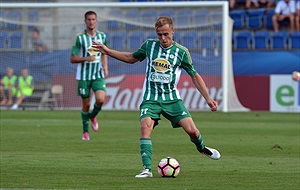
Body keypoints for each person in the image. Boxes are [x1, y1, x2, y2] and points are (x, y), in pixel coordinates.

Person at [92, 16, 221, 178]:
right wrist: (107, 51)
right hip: (151, 98)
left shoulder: (181, 52)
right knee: (145, 128)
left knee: (193, 132)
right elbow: (131, 58)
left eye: (166, 34)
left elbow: (194, 75)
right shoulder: (149, 46)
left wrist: (208, 98)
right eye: (160, 34)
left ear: (173, 31)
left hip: (172, 99)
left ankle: (202, 148)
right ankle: (147, 169)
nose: (163, 38)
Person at [70, 11, 108, 141]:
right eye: (89, 19)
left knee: (100, 99)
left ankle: (93, 116)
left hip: (98, 74)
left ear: (96, 21)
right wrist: (86, 58)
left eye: (93, 19)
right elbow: (72, 58)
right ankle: (85, 132)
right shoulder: (80, 38)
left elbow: (104, 52)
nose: (91, 22)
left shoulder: (102, 36)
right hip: (84, 76)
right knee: (85, 105)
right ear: (85, 21)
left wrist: (105, 66)